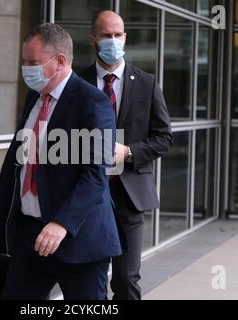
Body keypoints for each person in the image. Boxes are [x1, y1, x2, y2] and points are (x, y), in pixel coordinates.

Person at [0, 23, 122, 300]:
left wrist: (61, 223)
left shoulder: (93, 102)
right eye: (24, 61)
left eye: (33, 62)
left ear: (61, 61)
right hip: (30, 237)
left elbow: (95, 174)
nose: (26, 69)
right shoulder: (34, 98)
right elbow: (20, 163)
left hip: (78, 240)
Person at [80, 11, 173, 300]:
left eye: (117, 35)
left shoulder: (146, 83)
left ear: (125, 38)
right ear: (93, 39)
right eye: (106, 35)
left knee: (125, 280)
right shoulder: (77, 82)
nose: (112, 40)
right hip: (86, 196)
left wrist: (129, 151)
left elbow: (164, 138)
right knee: (88, 281)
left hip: (128, 197)